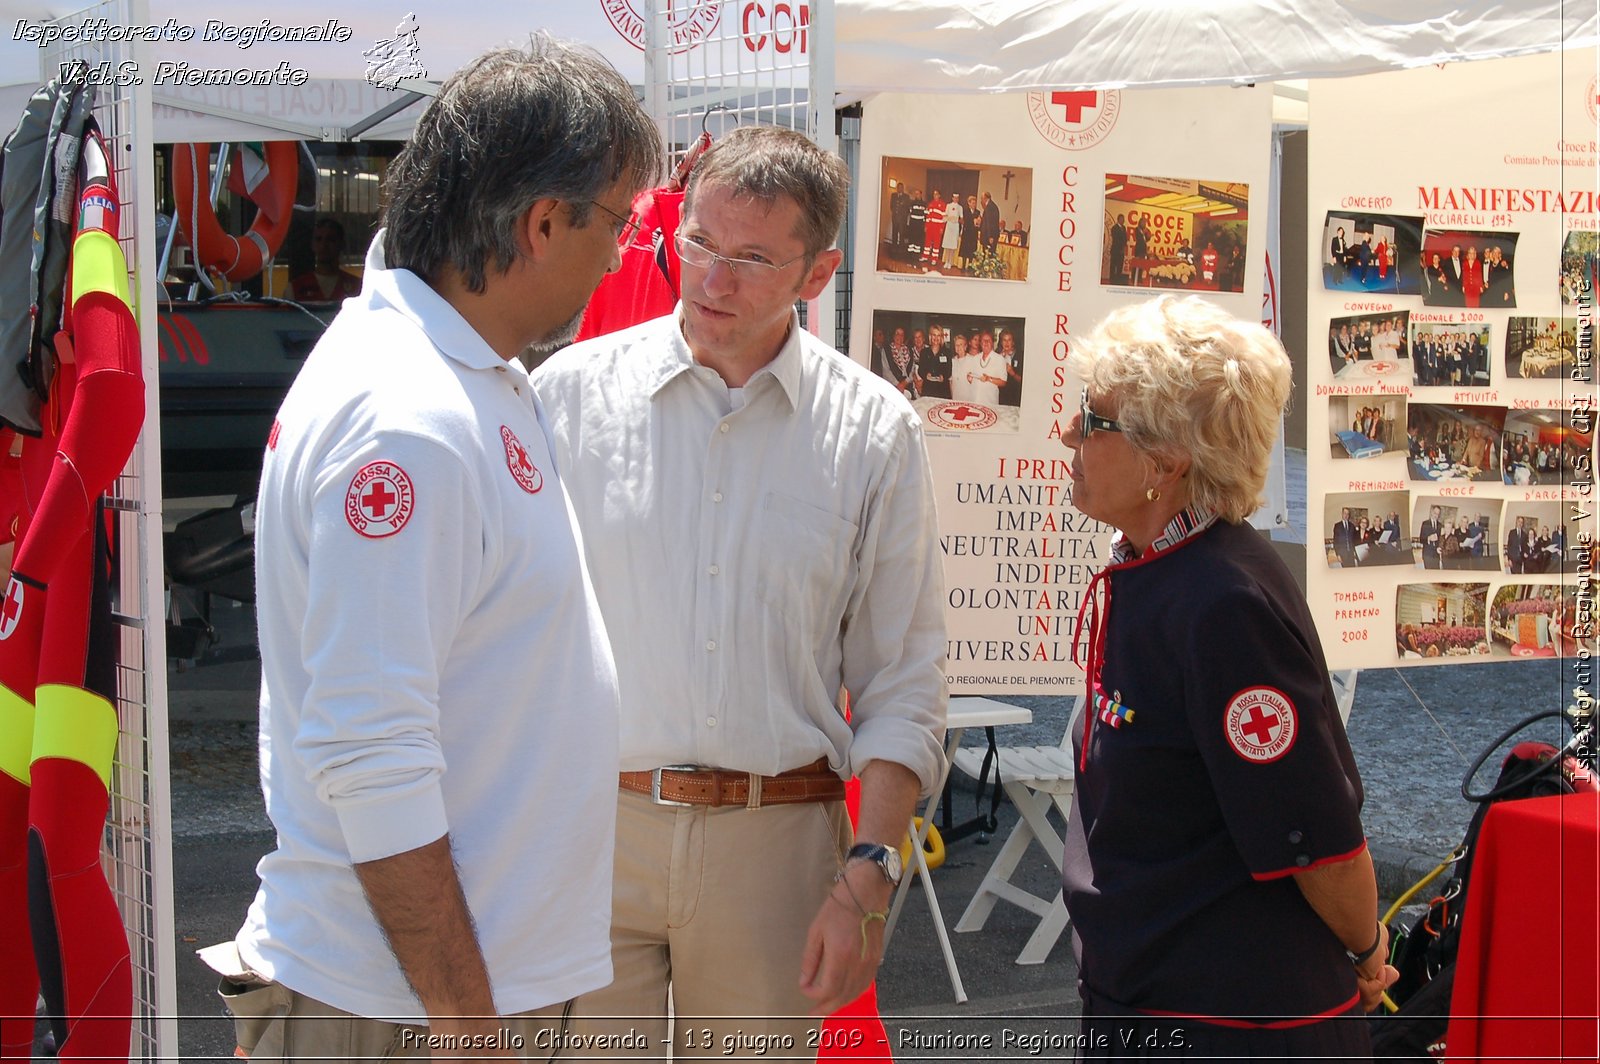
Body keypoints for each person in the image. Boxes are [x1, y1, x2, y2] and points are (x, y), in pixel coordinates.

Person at [215, 38, 662, 1058]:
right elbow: (372, 747)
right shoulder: (409, 416)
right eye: (620, 221)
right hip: (407, 1003)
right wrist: (464, 1013)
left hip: (435, 990)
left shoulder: (457, 371)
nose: (623, 252)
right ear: (543, 223)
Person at [530, 126, 947, 1056]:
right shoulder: (568, 396)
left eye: (752, 259)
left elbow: (904, 682)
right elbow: (505, 628)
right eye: (701, 244)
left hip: (776, 841)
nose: (713, 280)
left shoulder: (874, 432)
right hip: (592, 832)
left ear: (818, 273)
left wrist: (871, 870)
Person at [1060, 296, 1396, 1058]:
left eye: (1095, 418)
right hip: (1149, 1002)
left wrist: (1368, 947)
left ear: (1166, 460)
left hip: (1233, 1024)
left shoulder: (1223, 605)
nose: (1071, 434)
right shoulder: (1159, 570)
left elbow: (1319, 840)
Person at [290, 218, 363, 301]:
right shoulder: (294, 289)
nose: (323, 245)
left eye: (330, 239)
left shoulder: (358, 287)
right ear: (312, 245)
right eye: (318, 239)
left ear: (342, 244)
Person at [918, 323, 953, 399]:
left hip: (943, 390)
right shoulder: (924, 352)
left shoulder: (947, 352)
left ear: (941, 338)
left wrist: (943, 376)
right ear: (930, 336)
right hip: (928, 389)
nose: (936, 338)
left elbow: (949, 370)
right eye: (934, 335)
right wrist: (926, 375)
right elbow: (920, 370)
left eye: (938, 335)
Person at [1108, 212, 1129, 284]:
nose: (1123, 220)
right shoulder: (1114, 228)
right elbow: (1116, 239)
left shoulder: (1124, 228)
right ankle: (1112, 279)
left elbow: (1125, 238)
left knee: (1120, 265)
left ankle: (1118, 279)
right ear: (1118, 219)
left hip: (1121, 250)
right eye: (1121, 219)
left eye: (1123, 219)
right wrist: (1120, 247)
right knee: (1113, 265)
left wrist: (1124, 246)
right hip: (1115, 250)